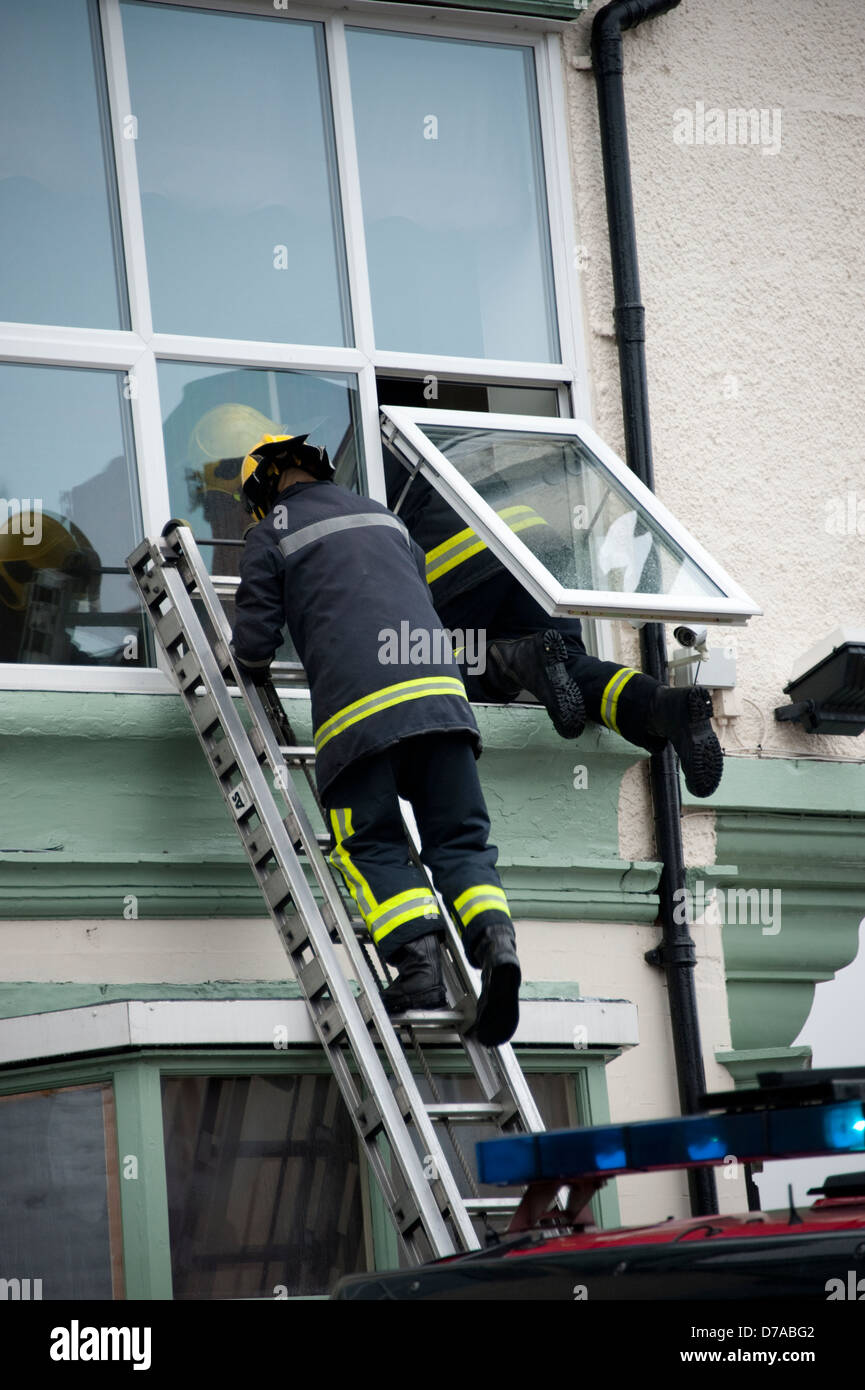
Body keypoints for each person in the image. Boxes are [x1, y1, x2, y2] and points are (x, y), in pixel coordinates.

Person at [229, 432, 521, 1047]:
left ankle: (418, 970)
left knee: (369, 841)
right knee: (460, 838)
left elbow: (254, 641)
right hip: (443, 701)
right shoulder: (384, 516)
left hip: (359, 715)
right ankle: (495, 942)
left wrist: (250, 668)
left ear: (261, 489)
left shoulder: (270, 533)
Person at [384, 459, 723, 798]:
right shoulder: (445, 453)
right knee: (567, 662)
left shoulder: (364, 445)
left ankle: (515, 662)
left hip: (456, 549)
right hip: (532, 541)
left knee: (419, 657)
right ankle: (663, 705)